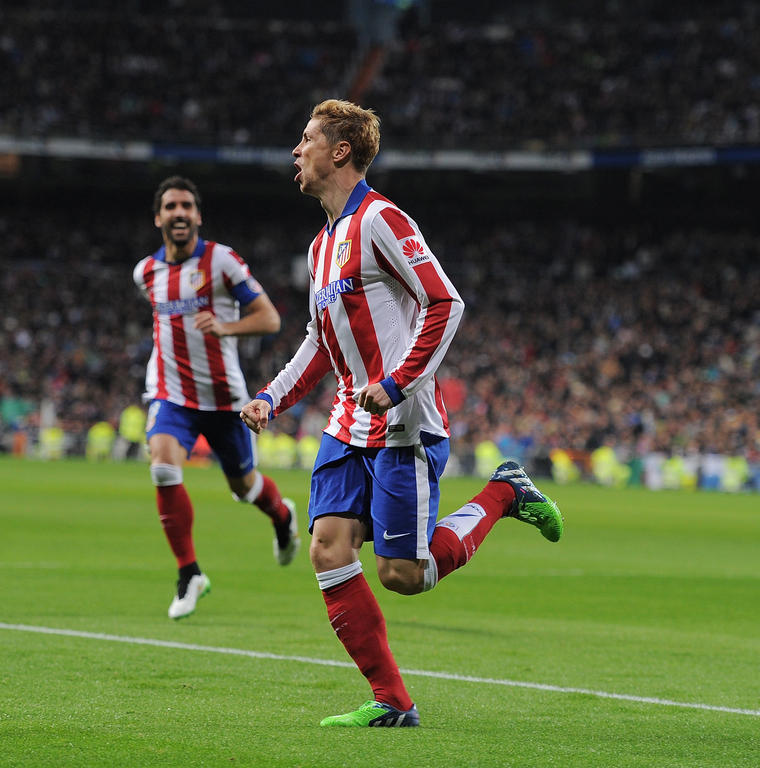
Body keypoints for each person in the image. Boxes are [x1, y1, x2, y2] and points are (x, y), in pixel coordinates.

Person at [240, 100, 564, 727]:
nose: (295, 151)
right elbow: (318, 339)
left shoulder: (381, 219)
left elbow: (446, 303)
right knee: (328, 549)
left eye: (305, 140)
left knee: (402, 575)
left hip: (402, 423)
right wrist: (271, 398)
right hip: (346, 422)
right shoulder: (321, 245)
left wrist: (395, 383)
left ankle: (503, 492)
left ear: (340, 152)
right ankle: (393, 702)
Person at [134, 175, 300, 620]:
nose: (179, 212)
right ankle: (189, 573)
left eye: (187, 205)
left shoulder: (221, 261)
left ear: (198, 216)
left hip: (225, 399)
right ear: (158, 217)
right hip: (171, 396)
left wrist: (225, 326)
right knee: (164, 468)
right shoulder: (146, 273)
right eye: (171, 206)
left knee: (245, 488)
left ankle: (282, 516)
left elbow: (269, 319)